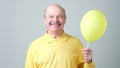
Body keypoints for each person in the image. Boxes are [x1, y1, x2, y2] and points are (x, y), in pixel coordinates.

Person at [25, 4, 95, 68]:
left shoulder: (76, 43)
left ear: (65, 20)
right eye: (51, 16)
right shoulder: (34, 46)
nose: (55, 20)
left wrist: (89, 62)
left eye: (60, 16)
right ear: (44, 20)